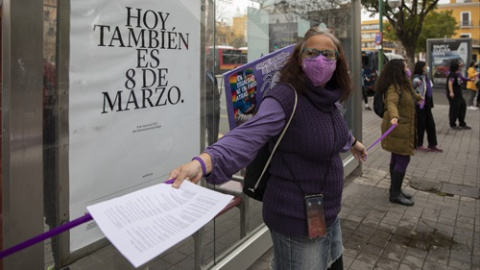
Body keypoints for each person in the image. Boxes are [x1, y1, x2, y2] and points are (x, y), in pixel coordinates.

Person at [169, 27, 367, 270]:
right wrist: (203, 162)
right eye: (312, 53)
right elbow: (247, 135)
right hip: (295, 218)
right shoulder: (285, 98)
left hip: (328, 214)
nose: (320, 60)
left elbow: (333, 129)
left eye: (328, 54)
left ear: (337, 62)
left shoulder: (329, 98)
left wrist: (353, 143)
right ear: (298, 58)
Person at [375, 59, 422, 206]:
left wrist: (419, 98)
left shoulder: (404, 83)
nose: (408, 68)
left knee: (396, 157)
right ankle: (395, 194)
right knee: (403, 158)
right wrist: (394, 116)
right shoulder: (394, 86)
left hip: (402, 127)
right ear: (398, 70)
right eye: (405, 66)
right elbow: (391, 103)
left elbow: (412, 94)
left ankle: (394, 190)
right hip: (397, 127)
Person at [411, 61, 443, 152]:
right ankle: (418, 144)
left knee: (430, 124)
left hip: (427, 103)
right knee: (420, 124)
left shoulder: (426, 77)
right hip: (420, 104)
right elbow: (415, 82)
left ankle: (432, 144)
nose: (427, 67)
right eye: (425, 66)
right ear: (421, 67)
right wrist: (417, 83)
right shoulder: (417, 77)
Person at [446, 59, 472, 130]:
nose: (460, 65)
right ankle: (453, 124)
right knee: (454, 108)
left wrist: (470, 80)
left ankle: (462, 123)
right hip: (453, 94)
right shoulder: (452, 74)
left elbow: (462, 78)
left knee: (462, 106)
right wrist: (451, 92)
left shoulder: (458, 73)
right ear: (455, 66)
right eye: (458, 64)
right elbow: (450, 83)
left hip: (459, 94)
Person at [205, 58, 221, 145]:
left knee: (215, 131)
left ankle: (215, 145)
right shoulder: (203, 75)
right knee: (211, 131)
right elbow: (205, 92)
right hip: (209, 108)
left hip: (215, 107)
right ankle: (211, 148)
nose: (213, 64)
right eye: (211, 62)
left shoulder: (212, 74)